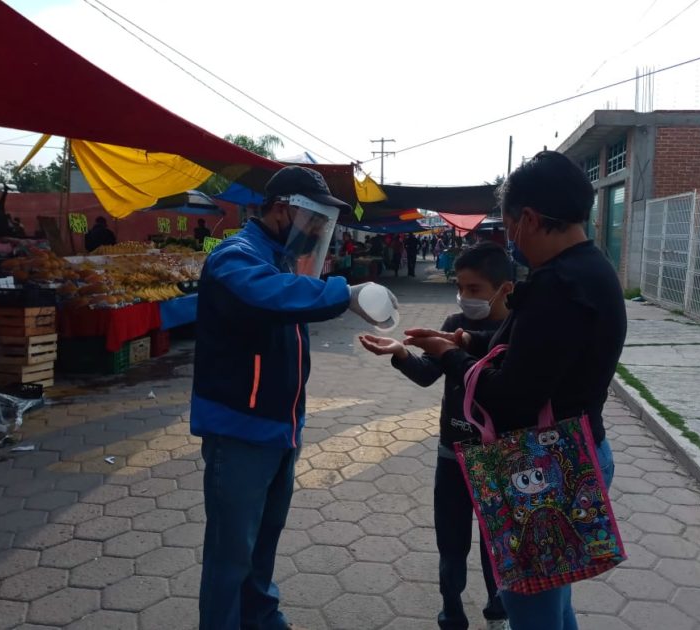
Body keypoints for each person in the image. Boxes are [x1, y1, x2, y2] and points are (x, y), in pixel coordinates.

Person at [403, 151, 626, 630]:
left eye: (509, 229)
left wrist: (450, 356)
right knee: (554, 603)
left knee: (530, 608)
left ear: (529, 218)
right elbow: (532, 351)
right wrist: (467, 341)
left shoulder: (558, 286)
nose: (512, 242)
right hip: (577, 450)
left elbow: (509, 396)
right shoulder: (591, 269)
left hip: (547, 467)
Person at [191, 165, 398, 630]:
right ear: (283, 210)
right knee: (230, 554)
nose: (320, 231)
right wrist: (344, 292)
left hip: (282, 427)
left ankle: (262, 617)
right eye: (315, 220)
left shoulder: (283, 259)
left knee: (263, 541)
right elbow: (269, 294)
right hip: (240, 429)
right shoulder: (235, 256)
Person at [360, 241, 514, 630]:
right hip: (453, 454)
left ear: (505, 288)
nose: (465, 297)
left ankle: (499, 608)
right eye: (460, 287)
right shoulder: (452, 323)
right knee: (451, 542)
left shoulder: (517, 331)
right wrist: (400, 353)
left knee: (497, 540)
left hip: (500, 456)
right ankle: (452, 612)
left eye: (474, 289)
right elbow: (428, 373)